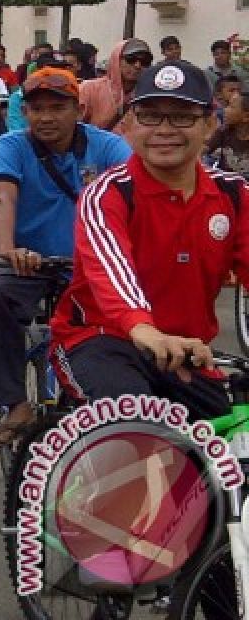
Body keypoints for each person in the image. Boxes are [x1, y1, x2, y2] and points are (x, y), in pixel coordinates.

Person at [51, 59, 238, 442]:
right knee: (137, 427)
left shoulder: (234, 194)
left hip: (186, 351)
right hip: (101, 340)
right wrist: (146, 331)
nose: (164, 131)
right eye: (150, 116)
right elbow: (111, 271)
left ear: (209, 124)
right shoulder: (108, 192)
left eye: (182, 117)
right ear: (130, 124)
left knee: (232, 437)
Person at [0, 67, 131, 446]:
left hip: (95, 265)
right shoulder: (11, 146)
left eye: (57, 107)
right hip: (29, 261)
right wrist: (9, 250)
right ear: (24, 113)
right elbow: (2, 197)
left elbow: (133, 199)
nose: (46, 117)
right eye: (36, 108)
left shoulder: (108, 147)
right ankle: (14, 403)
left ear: (78, 109)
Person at [78, 38, 152, 131]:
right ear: (116, 59)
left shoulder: (148, 95)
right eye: (131, 59)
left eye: (144, 61)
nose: (137, 65)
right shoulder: (89, 89)